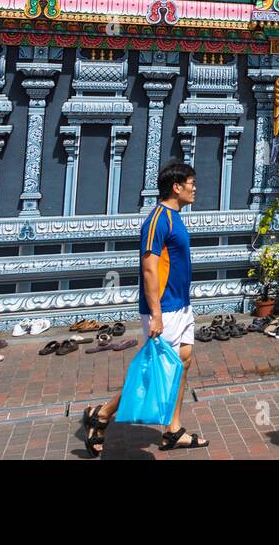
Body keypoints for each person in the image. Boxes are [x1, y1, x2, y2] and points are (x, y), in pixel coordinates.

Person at [82, 160, 208, 457]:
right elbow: (149, 268)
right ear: (176, 187)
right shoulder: (157, 220)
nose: (194, 188)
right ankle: (102, 414)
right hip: (164, 306)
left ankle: (173, 429)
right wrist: (155, 314)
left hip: (180, 303)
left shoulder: (175, 216)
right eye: (191, 182)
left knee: (184, 360)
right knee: (156, 371)